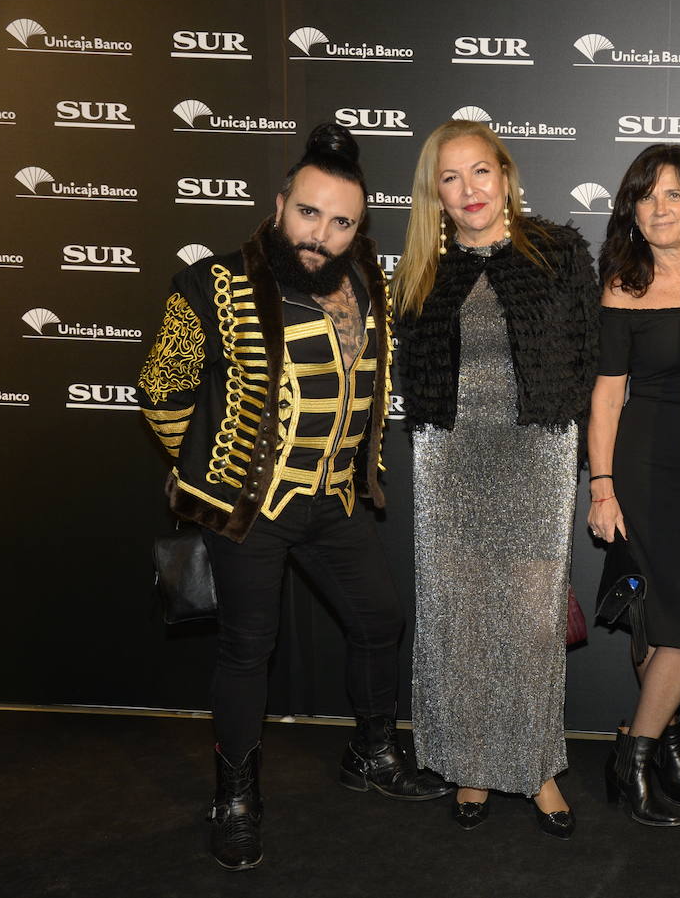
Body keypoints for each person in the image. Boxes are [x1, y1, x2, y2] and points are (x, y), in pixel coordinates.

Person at [136, 123, 450, 872]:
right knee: (250, 648)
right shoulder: (214, 284)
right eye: (310, 213)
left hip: (333, 498)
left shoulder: (365, 280)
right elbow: (160, 387)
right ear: (280, 205)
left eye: (342, 221)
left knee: (380, 619)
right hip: (251, 505)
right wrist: (203, 464)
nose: (322, 235)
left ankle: (370, 752)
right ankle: (236, 799)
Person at [392, 120, 600, 840]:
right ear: (435, 193)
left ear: (505, 174)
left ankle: (537, 765)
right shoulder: (421, 268)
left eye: (479, 171)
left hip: (535, 457)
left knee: (528, 621)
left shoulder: (561, 253)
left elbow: (591, 357)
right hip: (449, 461)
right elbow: (407, 373)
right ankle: (470, 763)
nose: (468, 189)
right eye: (450, 178)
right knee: (458, 617)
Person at [586, 144, 680, 827]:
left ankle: (639, 742)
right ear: (631, 210)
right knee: (660, 619)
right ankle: (647, 752)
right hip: (644, 466)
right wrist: (602, 485)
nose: (658, 208)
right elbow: (607, 396)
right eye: (645, 197)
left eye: (673, 194)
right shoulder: (624, 282)